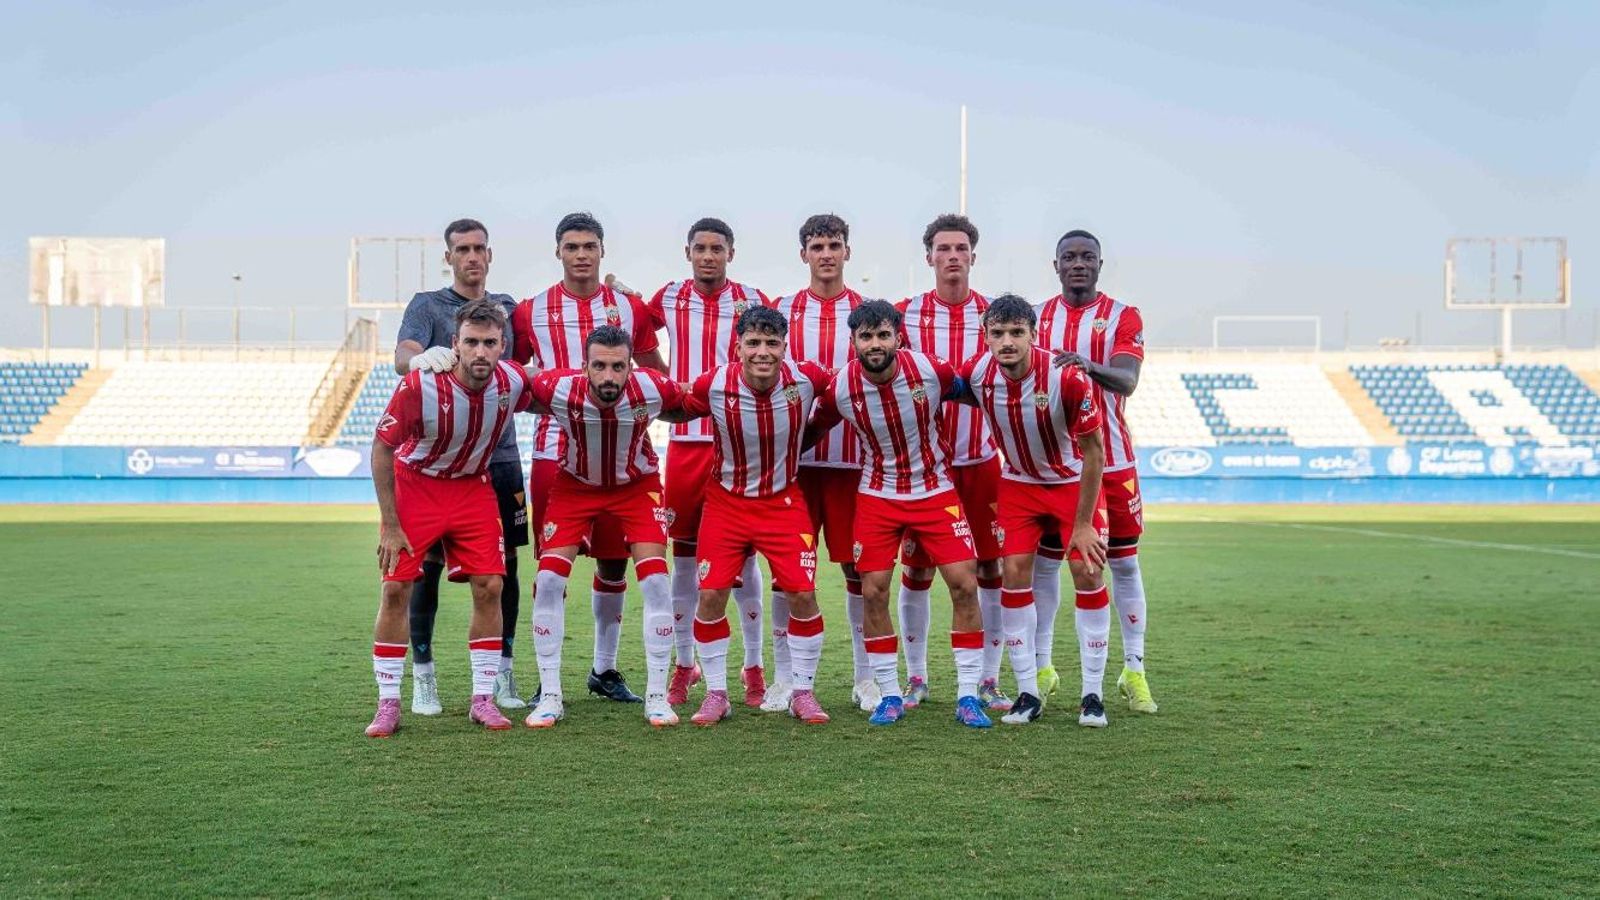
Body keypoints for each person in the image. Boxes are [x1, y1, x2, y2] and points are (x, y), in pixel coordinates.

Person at [805, 300, 993, 728]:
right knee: (872, 590)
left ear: (898, 338)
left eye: (883, 335)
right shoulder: (842, 387)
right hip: (878, 494)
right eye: (866, 336)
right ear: (853, 342)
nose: (875, 344)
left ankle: (967, 695)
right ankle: (889, 693)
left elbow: (979, 393)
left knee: (965, 585)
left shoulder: (930, 371)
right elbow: (815, 426)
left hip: (935, 490)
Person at [510, 212, 667, 705]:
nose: (581, 254)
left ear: (603, 251)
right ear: (558, 251)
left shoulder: (629, 307)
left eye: (590, 246)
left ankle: (604, 668)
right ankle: (547, 677)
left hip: (620, 452)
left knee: (616, 563)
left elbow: (655, 370)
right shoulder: (529, 311)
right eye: (572, 246)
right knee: (552, 567)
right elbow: (515, 375)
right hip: (555, 453)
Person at [365, 299, 536, 737]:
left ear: (503, 346)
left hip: (472, 489)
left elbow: (563, 388)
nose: (481, 352)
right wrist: (390, 522)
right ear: (455, 345)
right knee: (397, 587)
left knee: (491, 585)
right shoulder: (424, 384)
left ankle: (482, 698)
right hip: (417, 485)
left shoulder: (513, 382)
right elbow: (383, 446)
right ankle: (388, 703)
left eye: (490, 343)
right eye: (472, 342)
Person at [954, 294, 1111, 726]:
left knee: (1088, 571)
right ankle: (1028, 692)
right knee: (1014, 573)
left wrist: (1082, 525)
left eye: (1016, 332)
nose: (1007, 342)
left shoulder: (1067, 379)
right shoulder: (978, 374)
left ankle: (1092, 695)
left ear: (1033, 334)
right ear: (985, 337)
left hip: (1070, 483)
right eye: (998, 333)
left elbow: (1095, 454)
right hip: (1019, 485)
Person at [673, 306, 833, 726]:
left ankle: (803, 691)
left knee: (802, 593)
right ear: (738, 347)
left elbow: (845, 394)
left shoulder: (808, 378)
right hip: (726, 503)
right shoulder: (715, 383)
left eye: (772, 344)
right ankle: (717, 694)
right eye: (754, 343)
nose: (763, 353)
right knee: (710, 595)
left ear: (785, 347)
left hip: (783, 501)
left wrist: (809, 437)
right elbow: (675, 407)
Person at [393, 219, 528, 713]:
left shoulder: (509, 309)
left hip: (501, 457)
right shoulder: (427, 305)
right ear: (448, 257)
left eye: (479, 249)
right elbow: (403, 354)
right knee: (424, 570)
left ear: (490, 256)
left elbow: (535, 361)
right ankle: (424, 675)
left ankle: (502, 677)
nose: (471, 256)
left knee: (503, 570)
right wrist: (418, 359)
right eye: (462, 249)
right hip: (440, 460)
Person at [522, 326, 684, 729]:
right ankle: (551, 695)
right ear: (584, 367)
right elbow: (510, 379)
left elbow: (696, 402)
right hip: (574, 487)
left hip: (637, 487)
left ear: (631, 366)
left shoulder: (653, 388)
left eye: (617, 366)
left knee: (657, 583)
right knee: (548, 581)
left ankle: (657, 696)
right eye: (599, 366)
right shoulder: (557, 388)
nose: (608, 376)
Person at [645, 218, 774, 709]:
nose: (708, 256)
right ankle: (684, 666)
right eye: (700, 248)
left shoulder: (753, 298)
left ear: (731, 254)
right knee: (682, 557)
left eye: (717, 248)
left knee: (743, 557)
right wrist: (667, 378)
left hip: (738, 443)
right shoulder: (670, 296)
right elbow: (638, 333)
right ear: (687, 252)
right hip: (686, 443)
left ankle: (753, 668)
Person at [1035, 230, 1156, 714]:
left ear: (1101, 264)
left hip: (1114, 462)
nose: (1078, 264)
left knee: (1123, 562)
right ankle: (1042, 668)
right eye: (1070, 257)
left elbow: (1128, 379)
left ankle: (1135, 670)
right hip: (1056, 467)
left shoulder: (1123, 316)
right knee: (1044, 564)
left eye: (1087, 257)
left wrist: (1085, 365)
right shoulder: (1037, 318)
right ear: (1056, 264)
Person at [893, 213, 1010, 712]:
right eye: (943, 249)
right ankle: (917, 677)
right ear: (929, 258)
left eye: (961, 248)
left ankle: (987, 679)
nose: (953, 256)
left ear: (973, 257)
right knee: (917, 572)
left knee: (989, 569)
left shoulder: (995, 316)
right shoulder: (905, 316)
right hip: (927, 470)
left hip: (981, 464)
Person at [770, 213, 875, 712]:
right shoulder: (781, 310)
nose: (826, 253)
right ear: (804, 254)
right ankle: (784, 678)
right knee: (786, 573)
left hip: (855, 464)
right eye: (817, 245)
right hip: (795, 467)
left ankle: (865, 678)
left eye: (835, 244)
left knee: (860, 571)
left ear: (847, 252)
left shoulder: (871, 314)